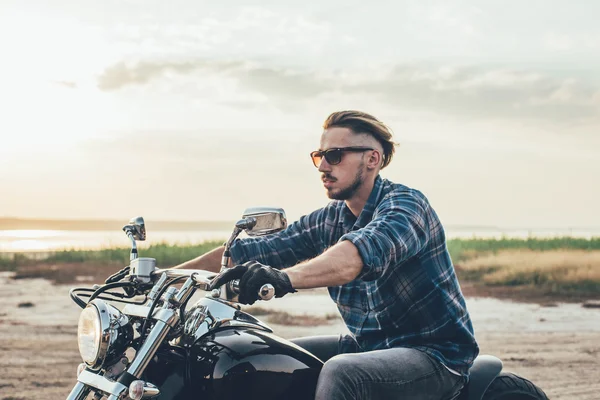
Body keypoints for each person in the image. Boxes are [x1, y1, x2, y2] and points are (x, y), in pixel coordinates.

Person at [174, 110, 479, 400]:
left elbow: (357, 255)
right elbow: (244, 252)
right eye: (319, 156)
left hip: (436, 355)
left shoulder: (407, 206)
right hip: (367, 345)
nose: (322, 167)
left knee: (342, 372)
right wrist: (157, 279)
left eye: (334, 156)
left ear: (372, 158)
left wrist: (283, 278)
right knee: (263, 356)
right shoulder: (329, 219)